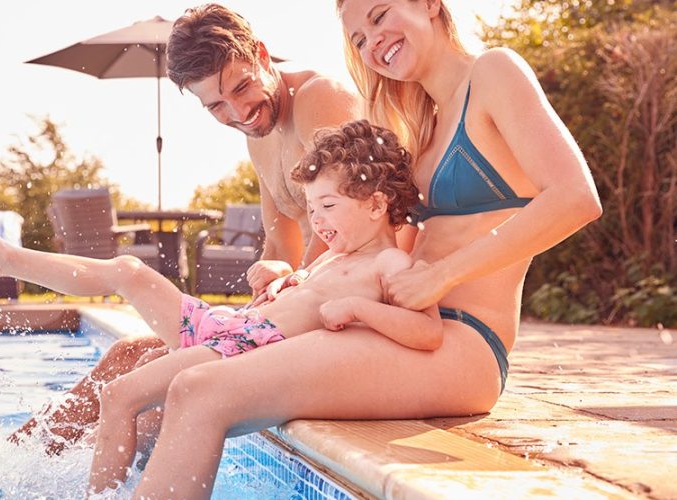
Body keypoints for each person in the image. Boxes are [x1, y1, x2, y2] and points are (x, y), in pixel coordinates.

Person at [131, 1, 603, 497]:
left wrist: (439, 277)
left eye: (379, 16)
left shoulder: (494, 73)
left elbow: (575, 199)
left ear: (429, 4)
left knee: (201, 391)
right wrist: (300, 283)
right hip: (394, 326)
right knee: (179, 378)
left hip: (462, 342)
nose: (372, 41)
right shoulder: (419, 118)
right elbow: (375, 242)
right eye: (357, 38)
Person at [10, 3, 364, 451]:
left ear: (261, 54)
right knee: (130, 354)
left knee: (165, 394)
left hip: (345, 315)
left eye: (242, 86)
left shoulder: (320, 98)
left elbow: (346, 230)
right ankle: (9, 463)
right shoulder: (260, 134)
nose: (239, 112)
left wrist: (268, 308)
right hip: (304, 305)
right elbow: (281, 239)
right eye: (216, 105)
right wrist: (270, 279)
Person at [84, 120, 438, 493]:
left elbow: (427, 332)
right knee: (120, 392)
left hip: (244, 352)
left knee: (125, 394)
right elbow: (299, 295)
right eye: (312, 208)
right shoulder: (331, 259)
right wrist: (283, 277)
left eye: (328, 205)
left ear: (377, 205)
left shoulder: (391, 263)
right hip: (236, 334)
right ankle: (106, 491)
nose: (317, 221)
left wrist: (358, 309)